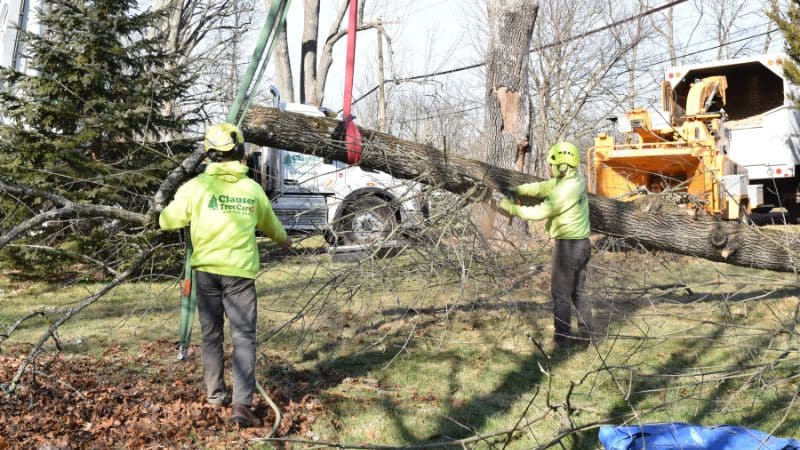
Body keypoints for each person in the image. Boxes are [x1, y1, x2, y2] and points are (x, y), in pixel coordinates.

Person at [159, 123, 292, 427]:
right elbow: (270, 224)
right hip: (240, 275)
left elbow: (168, 221)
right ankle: (241, 406)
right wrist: (284, 240)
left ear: (208, 155)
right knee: (244, 337)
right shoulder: (251, 189)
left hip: (206, 273)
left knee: (212, 336)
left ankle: (215, 397)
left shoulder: (196, 188)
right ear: (240, 153)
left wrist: (160, 210)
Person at [498, 142, 592, 349]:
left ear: (561, 165)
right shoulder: (569, 180)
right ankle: (587, 336)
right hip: (582, 244)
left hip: (568, 246)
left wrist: (512, 208)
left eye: (552, 164)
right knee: (577, 291)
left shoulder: (567, 189)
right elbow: (542, 187)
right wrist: (518, 190)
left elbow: (542, 211)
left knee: (560, 294)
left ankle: (562, 340)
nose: (550, 168)